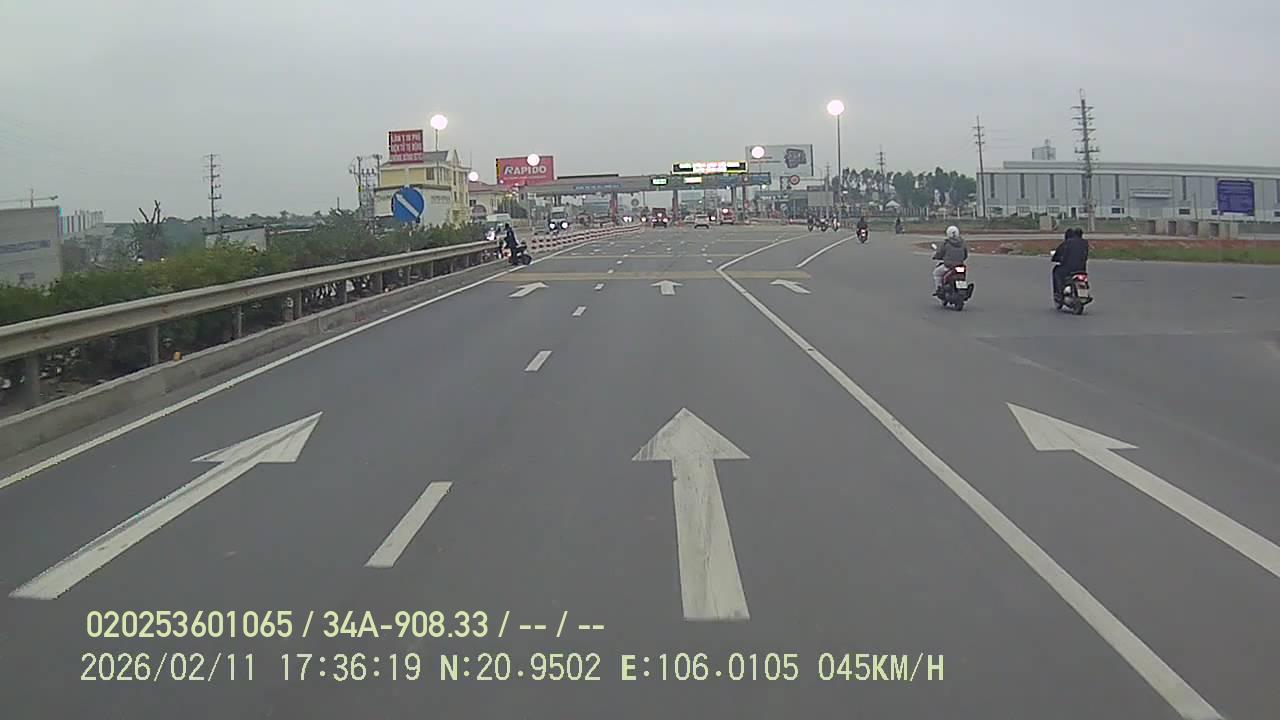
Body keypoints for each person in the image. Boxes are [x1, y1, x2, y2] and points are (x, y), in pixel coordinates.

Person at [1051, 227, 1089, 296]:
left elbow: (1058, 254)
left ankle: (1058, 292)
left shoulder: (1067, 243)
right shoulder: (1085, 243)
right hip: (1082, 269)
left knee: (1056, 272)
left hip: (1068, 269)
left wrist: (1056, 258)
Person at [932, 225, 968, 295]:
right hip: (960, 265)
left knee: (936, 273)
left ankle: (939, 289)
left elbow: (940, 253)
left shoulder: (946, 243)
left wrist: (936, 256)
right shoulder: (963, 243)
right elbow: (965, 255)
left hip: (949, 266)